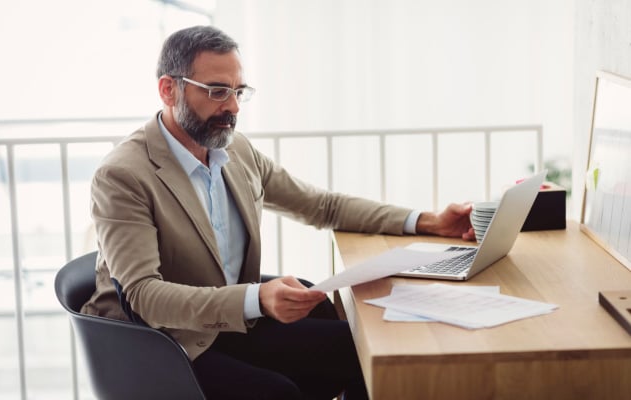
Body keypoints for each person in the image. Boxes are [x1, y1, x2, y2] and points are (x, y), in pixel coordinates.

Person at [81, 25, 475, 399]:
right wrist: (255, 298)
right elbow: (143, 296)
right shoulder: (124, 174)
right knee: (278, 394)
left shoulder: (236, 152)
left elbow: (322, 206)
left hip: (229, 323)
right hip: (164, 343)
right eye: (218, 91)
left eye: (239, 91)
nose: (233, 106)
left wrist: (427, 221)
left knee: (363, 350)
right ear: (169, 90)